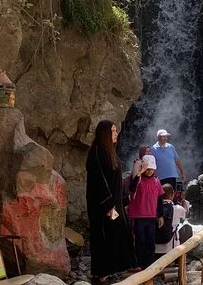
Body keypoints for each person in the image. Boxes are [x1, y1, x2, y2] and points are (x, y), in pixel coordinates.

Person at [86, 120, 135, 284]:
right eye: (113, 131)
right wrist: (109, 206)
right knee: (105, 237)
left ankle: (111, 270)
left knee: (116, 235)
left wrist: (123, 200)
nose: (116, 134)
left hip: (114, 204)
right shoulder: (97, 154)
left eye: (115, 130)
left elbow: (115, 181)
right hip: (104, 207)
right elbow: (99, 182)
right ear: (105, 134)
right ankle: (101, 274)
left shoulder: (108, 152)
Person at [127, 154, 165, 270]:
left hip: (151, 216)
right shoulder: (138, 180)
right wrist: (139, 173)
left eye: (151, 169)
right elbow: (131, 188)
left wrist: (161, 215)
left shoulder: (156, 181)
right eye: (147, 169)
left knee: (150, 241)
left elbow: (160, 199)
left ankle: (149, 264)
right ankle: (138, 264)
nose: (149, 171)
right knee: (140, 240)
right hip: (139, 216)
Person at [155, 184, 188, 258]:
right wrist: (183, 201)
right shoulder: (178, 208)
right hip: (170, 250)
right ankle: (181, 258)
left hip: (154, 249)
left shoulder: (154, 208)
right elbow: (183, 220)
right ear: (173, 194)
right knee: (187, 228)